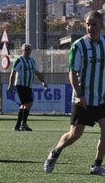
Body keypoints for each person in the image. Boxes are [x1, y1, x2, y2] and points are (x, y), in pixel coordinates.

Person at [44, 11, 105, 175]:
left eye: (93, 24)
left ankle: (97, 165)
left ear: (101, 26)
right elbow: (72, 72)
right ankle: (55, 152)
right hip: (82, 99)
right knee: (74, 135)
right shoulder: (78, 46)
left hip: (101, 98)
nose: (89, 27)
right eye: (87, 23)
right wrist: (78, 94)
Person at [7, 43, 47, 131]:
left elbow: (36, 72)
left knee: (24, 105)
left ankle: (18, 125)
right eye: (26, 50)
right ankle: (23, 124)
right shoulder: (19, 60)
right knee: (28, 103)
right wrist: (10, 85)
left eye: (29, 49)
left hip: (28, 85)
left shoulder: (32, 61)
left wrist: (43, 82)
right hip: (20, 85)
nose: (28, 51)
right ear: (22, 51)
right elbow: (13, 73)